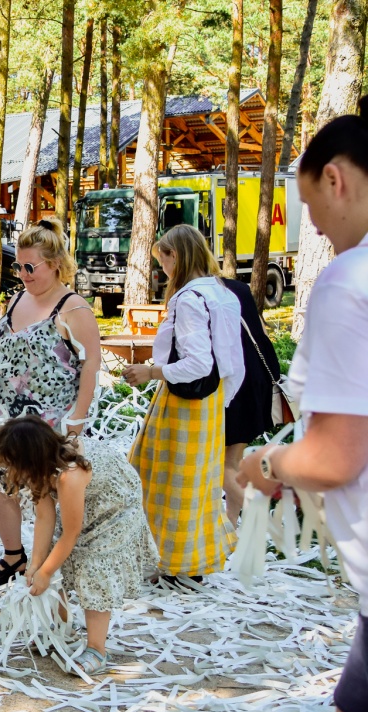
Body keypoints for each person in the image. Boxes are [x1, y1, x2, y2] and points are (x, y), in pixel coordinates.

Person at [237, 98, 368, 712]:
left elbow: (337, 455)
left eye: (312, 207)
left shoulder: (349, 282)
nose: (314, 226)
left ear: (336, 178)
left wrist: (267, 463)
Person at [0, 218, 102, 590]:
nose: (23, 274)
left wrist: (77, 421)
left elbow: (90, 365)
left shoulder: (73, 308)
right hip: (10, 420)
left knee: (48, 495)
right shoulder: (17, 299)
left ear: (55, 264)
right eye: (18, 266)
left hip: (51, 423)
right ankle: (14, 556)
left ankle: (51, 564)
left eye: (30, 267)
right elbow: (1, 358)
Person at [123, 224, 244, 586]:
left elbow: (199, 363)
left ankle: (176, 563)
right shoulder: (221, 292)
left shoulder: (190, 298)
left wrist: (151, 372)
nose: (161, 268)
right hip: (210, 400)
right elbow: (231, 359)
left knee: (166, 480)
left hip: (184, 401)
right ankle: (189, 562)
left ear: (175, 255)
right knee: (197, 483)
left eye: (162, 260)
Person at [0, 417, 154, 676]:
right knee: (52, 564)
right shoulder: (40, 468)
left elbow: (71, 533)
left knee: (94, 571)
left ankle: (97, 649)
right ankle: (62, 629)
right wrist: (37, 564)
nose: (8, 472)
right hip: (84, 505)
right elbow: (45, 517)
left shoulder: (70, 476)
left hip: (116, 511)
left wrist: (44, 573)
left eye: (11, 465)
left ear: (28, 459)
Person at [221, 276, 281, 525]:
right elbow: (260, 331)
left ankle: (259, 518)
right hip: (257, 379)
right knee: (232, 460)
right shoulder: (239, 287)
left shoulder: (202, 292)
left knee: (220, 465)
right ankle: (231, 524)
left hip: (234, 383)